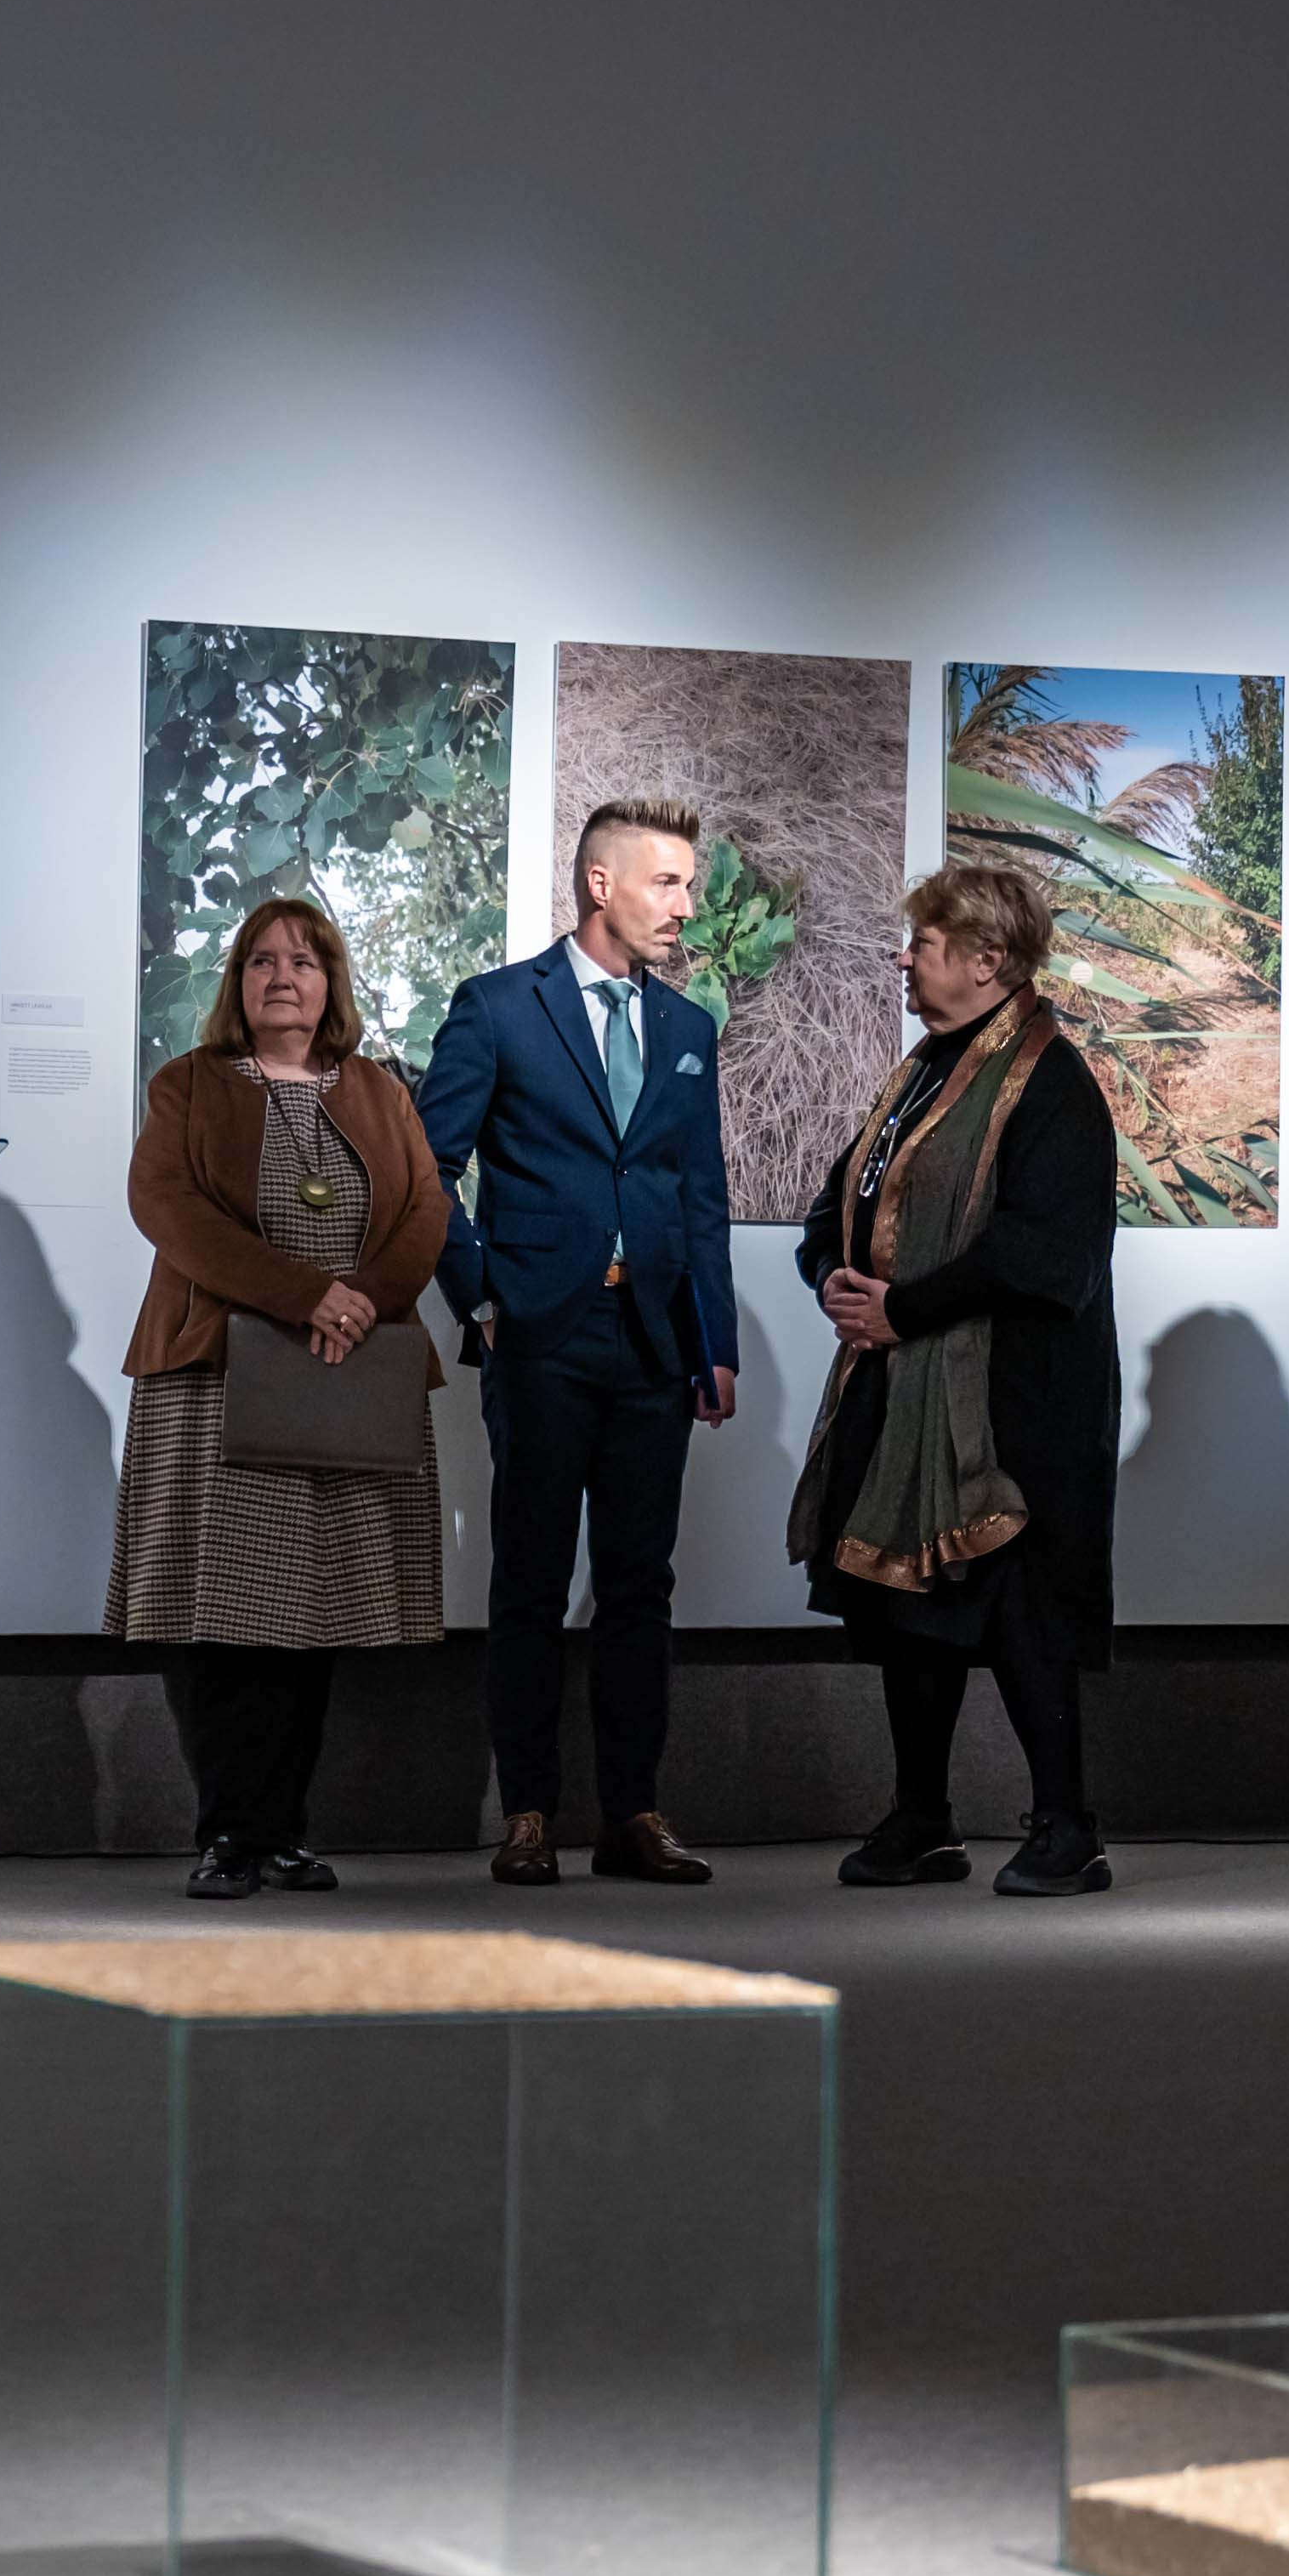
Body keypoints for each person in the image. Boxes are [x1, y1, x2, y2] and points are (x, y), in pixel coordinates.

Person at [416, 798, 740, 1887]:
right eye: (668, 883)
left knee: (641, 1584)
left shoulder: (688, 1028)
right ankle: (529, 1815)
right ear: (601, 884)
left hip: (653, 1341)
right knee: (531, 1580)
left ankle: (633, 1815)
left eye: (689, 885)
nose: (685, 907)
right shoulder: (499, 1007)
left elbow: (700, 1198)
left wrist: (715, 1340)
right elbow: (427, 1172)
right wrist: (482, 1297)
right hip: (541, 1335)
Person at [790, 864, 1125, 1898]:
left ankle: (1068, 1827)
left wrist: (903, 1309)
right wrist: (833, 1276)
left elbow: (1045, 1256)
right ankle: (924, 1819)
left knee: (1021, 1612)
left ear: (988, 959)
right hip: (904, 1384)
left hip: (1012, 1405)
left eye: (924, 943)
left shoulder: (1054, 1084)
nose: (904, 957)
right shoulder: (922, 1075)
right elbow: (835, 1207)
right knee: (905, 1605)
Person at [108, 898, 451, 1896]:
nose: (282, 977)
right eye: (261, 961)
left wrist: (360, 1302)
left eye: (303, 960)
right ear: (237, 983)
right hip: (217, 1375)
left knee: (316, 1613)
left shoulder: (382, 1092)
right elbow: (165, 1207)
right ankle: (230, 1834)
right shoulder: (187, 1084)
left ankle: (284, 1830)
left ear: (331, 980)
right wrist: (306, 1294)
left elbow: (426, 1211)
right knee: (227, 1617)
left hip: (343, 1372)